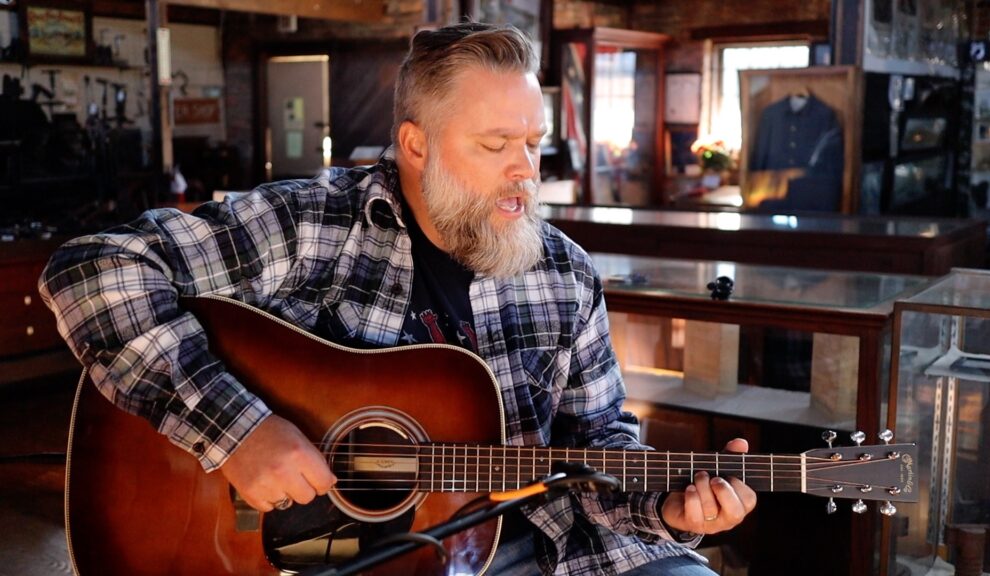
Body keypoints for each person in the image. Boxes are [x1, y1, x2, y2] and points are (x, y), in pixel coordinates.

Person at [39, 22, 755, 575]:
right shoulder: (314, 225)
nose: (523, 171)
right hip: (327, 555)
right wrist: (241, 433)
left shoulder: (562, 272)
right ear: (416, 145)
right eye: (495, 143)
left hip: (539, 549)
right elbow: (92, 270)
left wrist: (668, 506)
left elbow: (597, 448)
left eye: (533, 144)